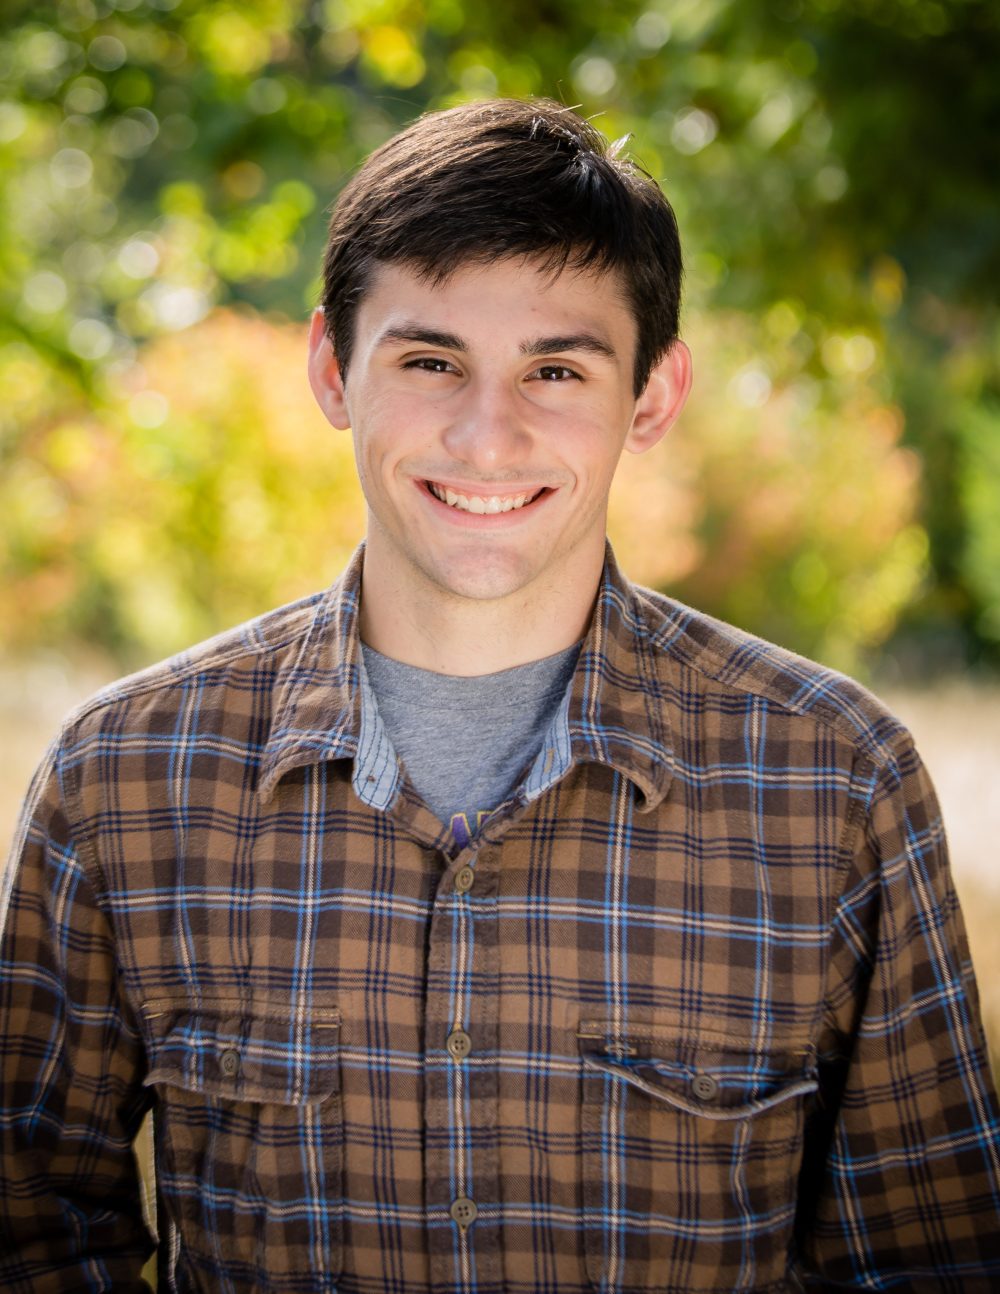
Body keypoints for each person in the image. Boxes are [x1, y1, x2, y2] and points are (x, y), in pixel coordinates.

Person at [1, 97, 998, 1294]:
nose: (487, 435)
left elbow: (928, 1257)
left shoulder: (834, 782)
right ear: (331, 369)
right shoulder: (124, 777)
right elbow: (34, 1231)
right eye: (430, 361)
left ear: (652, 397)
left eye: (555, 368)